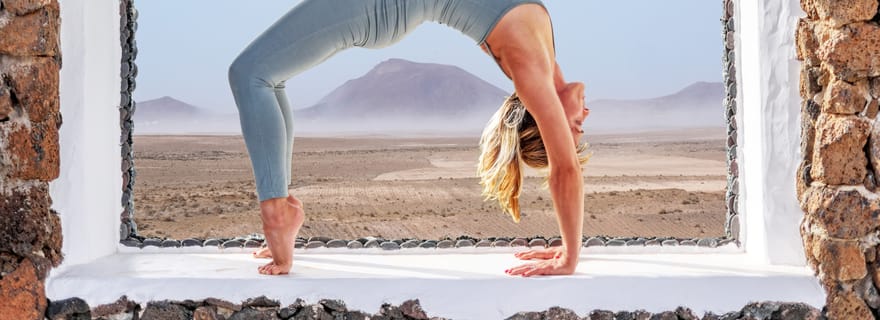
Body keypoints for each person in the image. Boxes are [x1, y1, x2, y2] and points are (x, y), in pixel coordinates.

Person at [228, 0, 591, 276]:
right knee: (267, 77)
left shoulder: (531, 72)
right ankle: (282, 204)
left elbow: (566, 171)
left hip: (383, 6)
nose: (584, 117)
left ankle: (276, 212)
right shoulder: (544, 52)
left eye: (573, 128)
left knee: (250, 74)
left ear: (544, 120)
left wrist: (569, 257)